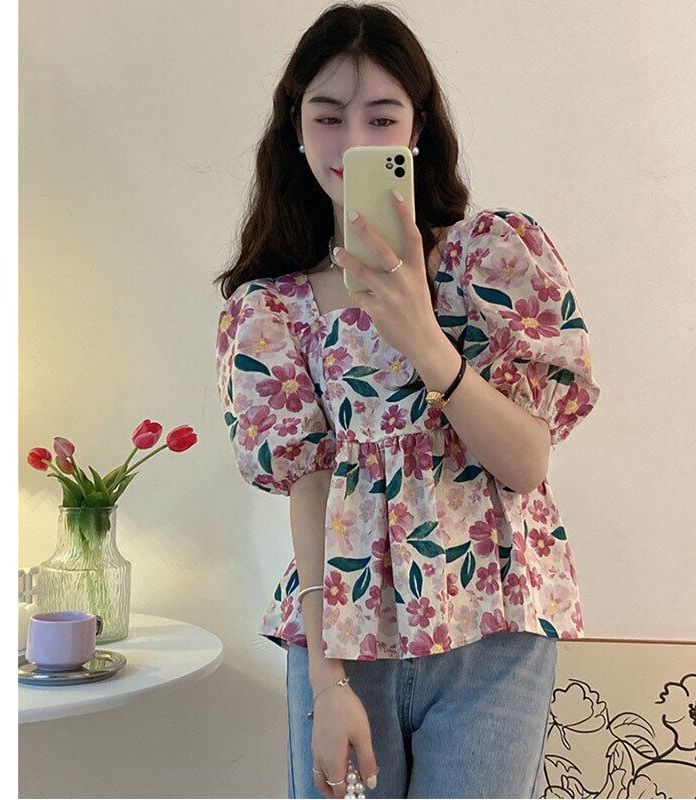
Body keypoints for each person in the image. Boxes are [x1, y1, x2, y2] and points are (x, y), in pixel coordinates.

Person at [214, 4, 601, 798]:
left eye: (382, 117)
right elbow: (311, 489)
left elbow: (525, 463)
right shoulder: (273, 310)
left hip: (492, 628)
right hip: (344, 642)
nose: (354, 140)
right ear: (296, 131)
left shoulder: (492, 260)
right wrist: (327, 684)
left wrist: (422, 334)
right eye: (328, 117)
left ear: (417, 130)